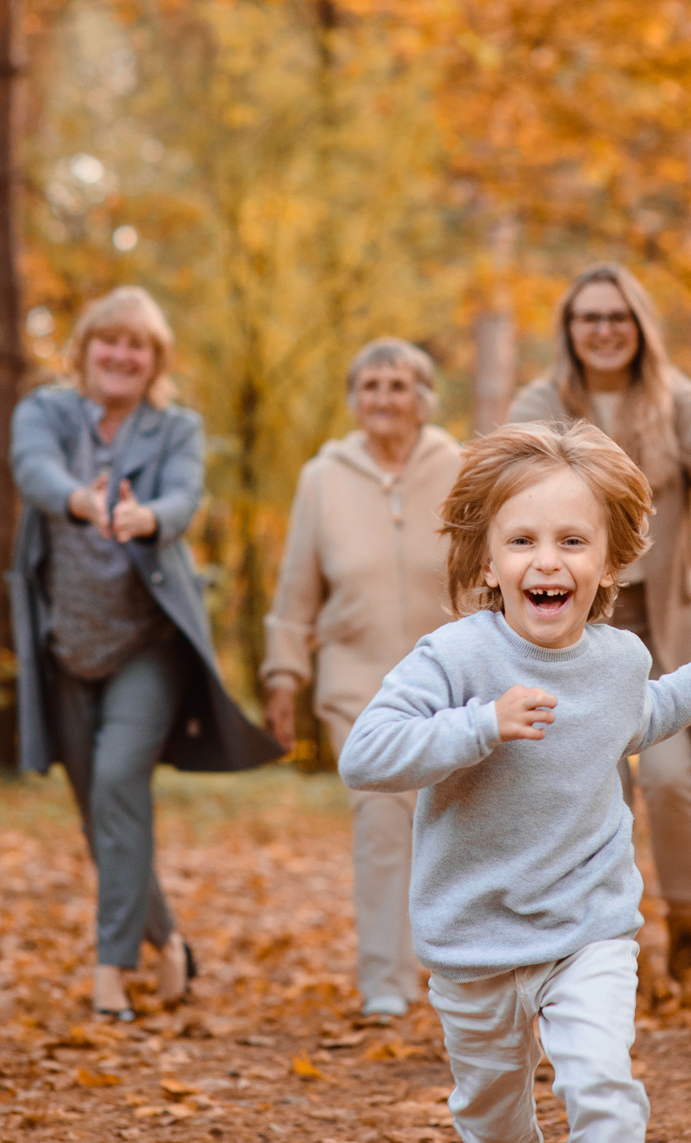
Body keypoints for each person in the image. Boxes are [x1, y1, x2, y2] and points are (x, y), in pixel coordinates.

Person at [338, 420, 691, 1143]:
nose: (548, 561)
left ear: (609, 566)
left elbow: (641, 715)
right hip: (473, 938)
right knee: (492, 1118)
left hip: (589, 926)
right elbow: (366, 754)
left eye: (572, 541)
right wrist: (480, 725)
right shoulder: (453, 658)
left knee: (603, 1086)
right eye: (522, 542)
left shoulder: (619, 659)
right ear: (488, 563)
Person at [506, 263, 691, 1008]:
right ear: (570, 331)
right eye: (589, 318)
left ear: (639, 325)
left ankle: (689, 938)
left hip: (664, 626)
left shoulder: (676, 401)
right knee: (590, 785)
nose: (605, 330)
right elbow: (505, 476)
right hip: (574, 629)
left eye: (618, 316)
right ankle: (597, 950)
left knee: (672, 780)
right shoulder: (543, 402)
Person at [9, 286, 283, 1021]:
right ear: (86, 347)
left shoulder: (175, 428)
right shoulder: (44, 412)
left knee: (118, 782)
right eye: (110, 340)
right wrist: (82, 500)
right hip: (64, 645)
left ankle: (110, 970)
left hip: (148, 645)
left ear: (155, 359)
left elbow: (186, 498)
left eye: (139, 345)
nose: (122, 355)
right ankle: (170, 943)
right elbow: (32, 470)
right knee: (102, 812)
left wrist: (144, 515)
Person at [260, 338, 463, 1022]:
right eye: (370, 384)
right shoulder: (323, 475)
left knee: (454, 821)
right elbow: (297, 584)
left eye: (397, 384)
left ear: (423, 397)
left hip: (451, 673)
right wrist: (283, 673)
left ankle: (461, 967)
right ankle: (385, 976)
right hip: (356, 677)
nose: (382, 398)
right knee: (380, 814)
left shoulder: (459, 466)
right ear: (354, 398)